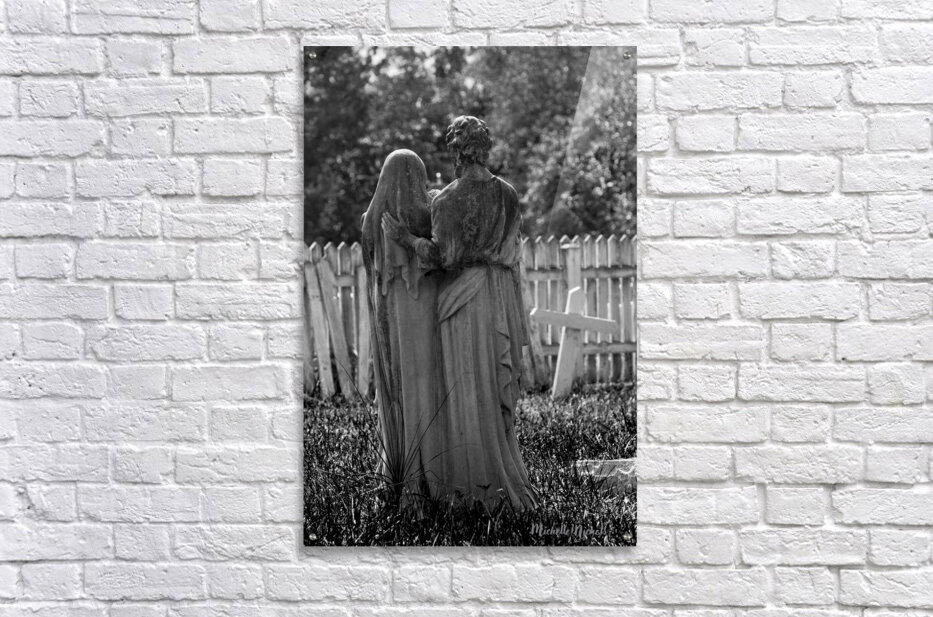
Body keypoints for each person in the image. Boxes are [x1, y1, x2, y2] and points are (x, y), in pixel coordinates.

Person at [383, 116, 538, 511]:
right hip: (497, 297)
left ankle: (468, 488)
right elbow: (511, 251)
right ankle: (499, 479)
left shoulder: (448, 200)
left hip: (461, 303)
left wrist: (406, 238)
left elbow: (442, 257)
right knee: (493, 387)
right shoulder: (508, 194)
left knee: (466, 391)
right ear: (484, 149)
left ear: (456, 151)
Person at [360, 149, 444, 503]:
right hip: (424, 320)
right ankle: (431, 470)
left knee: (399, 388)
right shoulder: (431, 213)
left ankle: (400, 470)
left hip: (393, 324)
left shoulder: (373, 222)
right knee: (426, 388)